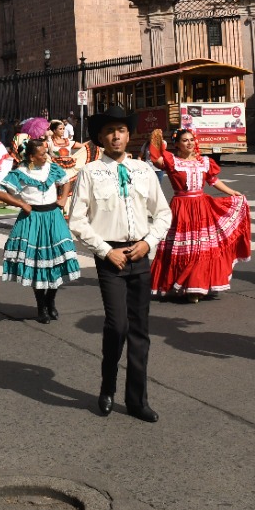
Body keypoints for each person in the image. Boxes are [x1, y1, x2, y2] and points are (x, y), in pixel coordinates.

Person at [68, 105, 171, 423]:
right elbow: (77, 220)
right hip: (110, 257)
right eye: (110, 130)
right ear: (100, 137)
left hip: (140, 254)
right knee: (118, 326)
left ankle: (137, 399)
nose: (116, 135)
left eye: (122, 130)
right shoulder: (89, 172)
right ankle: (107, 386)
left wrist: (148, 242)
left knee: (140, 330)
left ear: (129, 135)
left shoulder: (143, 170)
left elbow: (164, 213)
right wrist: (103, 250)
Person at [148, 128, 252, 301]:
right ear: (178, 145)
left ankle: (197, 286)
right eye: (185, 140)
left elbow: (213, 181)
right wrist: (155, 142)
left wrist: (232, 192)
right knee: (184, 248)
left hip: (202, 206)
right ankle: (183, 284)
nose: (189, 143)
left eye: (191, 140)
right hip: (181, 207)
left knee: (200, 248)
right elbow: (156, 159)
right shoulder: (172, 161)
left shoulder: (204, 162)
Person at [0, 138, 81, 323]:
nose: (47, 156)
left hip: (53, 217)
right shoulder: (21, 172)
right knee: (37, 263)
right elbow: (1, 193)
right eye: (43, 154)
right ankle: (41, 306)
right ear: (32, 157)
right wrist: (21, 203)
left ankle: (51, 301)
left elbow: (66, 181)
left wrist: (63, 199)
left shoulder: (51, 168)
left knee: (56, 261)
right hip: (33, 218)